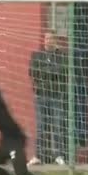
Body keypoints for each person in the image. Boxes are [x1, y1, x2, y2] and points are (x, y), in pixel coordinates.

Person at [28, 32, 68, 166]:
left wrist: (45, 70)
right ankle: (39, 156)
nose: (48, 41)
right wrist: (52, 71)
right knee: (41, 127)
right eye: (46, 38)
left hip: (57, 95)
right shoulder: (36, 55)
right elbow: (33, 72)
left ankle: (58, 155)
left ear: (56, 40)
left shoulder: (62, 55)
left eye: (51, 38)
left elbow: (63, 72)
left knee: (58, 125)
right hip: (41, 95)